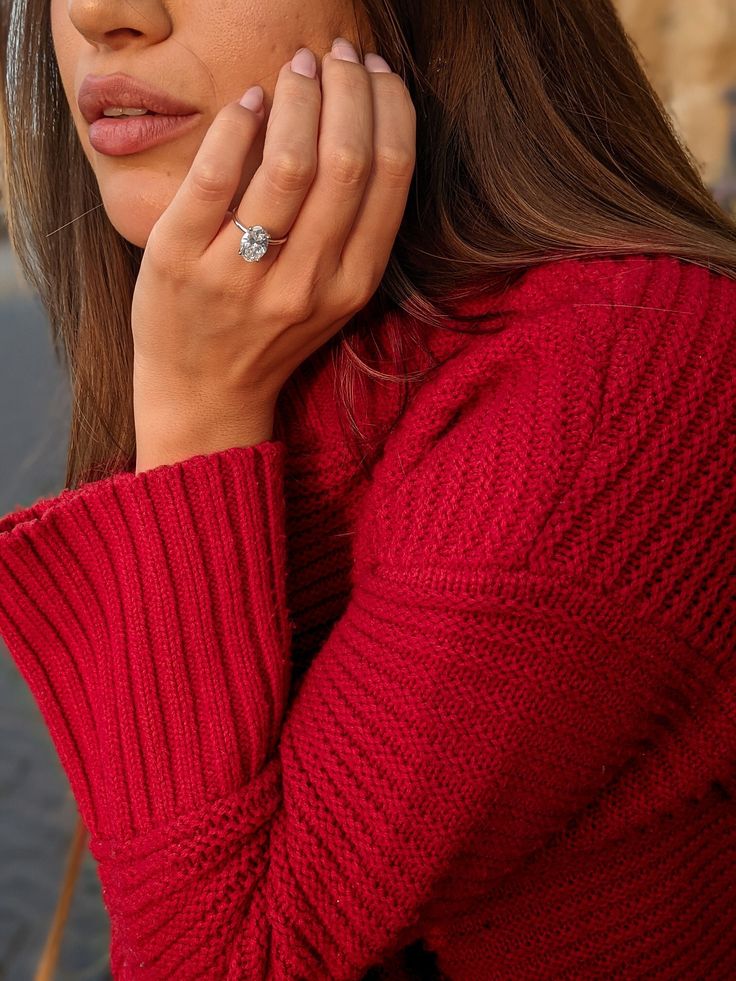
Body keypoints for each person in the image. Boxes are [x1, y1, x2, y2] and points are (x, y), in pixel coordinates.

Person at [0, 0, 734, 977]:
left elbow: (221, 958)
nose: (100, 14)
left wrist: (193, 413)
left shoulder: (622, 370)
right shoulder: (292, 354)